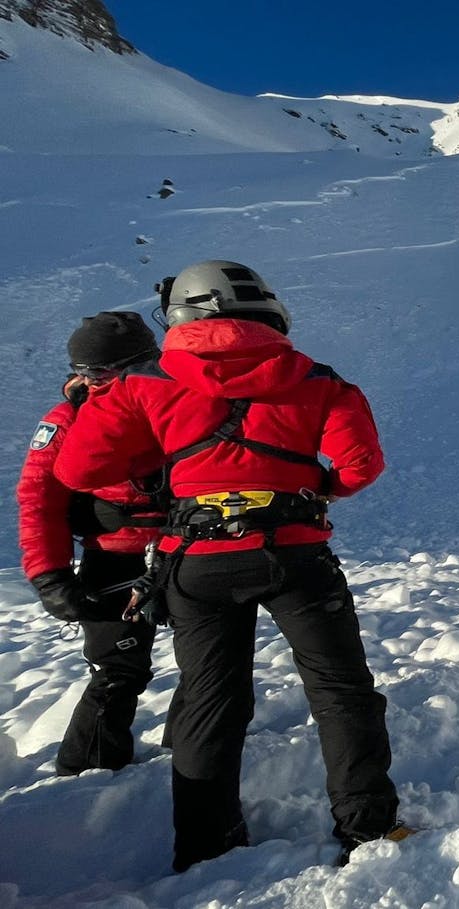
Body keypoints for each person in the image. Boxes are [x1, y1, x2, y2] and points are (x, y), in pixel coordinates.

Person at [52, 260, 403, 871]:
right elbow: (360, 465)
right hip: (295, 553)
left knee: (212, 700)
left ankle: (206, 848)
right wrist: (312, 486)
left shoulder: (143, 383)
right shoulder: (318, 379)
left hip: (197, 561)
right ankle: (368, 830)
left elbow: (77, 470)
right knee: (340, 690)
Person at [17, 312, 166, 775]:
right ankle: (88, 777)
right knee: (118, 669)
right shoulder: (67, 421)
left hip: (186, 551)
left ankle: (198, 753)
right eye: (86, 371)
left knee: (212, 662)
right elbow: (38, 500)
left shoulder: (179, 405)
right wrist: (50, 575)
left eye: (102, 371)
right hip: (114, 559)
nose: (92, 380)